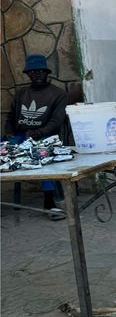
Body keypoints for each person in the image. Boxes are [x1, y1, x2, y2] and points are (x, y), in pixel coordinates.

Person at [4, 54, 68, 219]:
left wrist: (37, 133)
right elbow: (11, 116)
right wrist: (9, 132)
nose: (37, 75)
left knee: (41, 156)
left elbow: (56, 121)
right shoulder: (21, 93)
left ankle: (50, 203)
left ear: (47, 73)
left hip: (45, 137)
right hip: (20, 136)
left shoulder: (58, 94)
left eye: (40, 71)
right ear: (28, 74)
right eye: (33, 72)